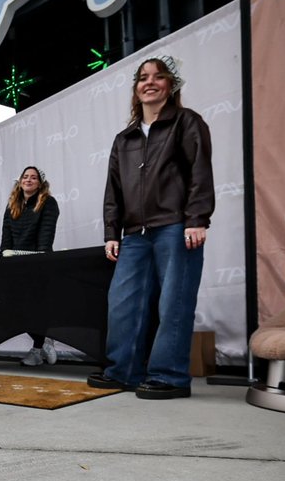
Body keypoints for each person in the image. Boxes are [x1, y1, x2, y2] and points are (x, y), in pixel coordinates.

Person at [89, 56, 214, 399]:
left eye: (158, 77)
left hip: (175, 227)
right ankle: (123, 372)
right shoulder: (124, 138)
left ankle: (170, 376)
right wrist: (111, 232)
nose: (150, 82)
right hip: (134, 235)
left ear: (169, 86)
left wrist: (197, 219)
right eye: (143, 78)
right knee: (122, 302)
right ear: (136, 89)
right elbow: (113, 189)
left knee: (174, 302)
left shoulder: (187, 122)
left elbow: (199, 172)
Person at [0, 166, 60, 366]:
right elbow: (5, 239)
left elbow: (46, 235)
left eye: (33, 177)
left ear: (40, 183)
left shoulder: (48, 203)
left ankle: (37, 348)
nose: (29, 180)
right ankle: (45, 340)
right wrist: (3, 263)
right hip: (15, 263)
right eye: (25, 176)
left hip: (37, 263)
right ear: (20, 181)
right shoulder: (12, 205)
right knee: (15, 308)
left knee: (35, 307)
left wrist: (37, 262)